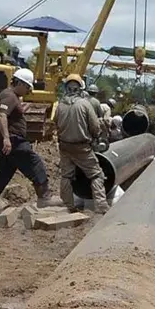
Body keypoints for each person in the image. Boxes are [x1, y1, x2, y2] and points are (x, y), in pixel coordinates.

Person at [0, 68, 60, 208]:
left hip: (9, 140)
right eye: (28, 88)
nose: (28, 91)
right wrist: (6, 138)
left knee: (4, 171)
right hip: (13, 140)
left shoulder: (10, 95)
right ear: (21, 84)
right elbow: (1, 115)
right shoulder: (9, 96)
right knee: (35, 163)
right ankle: (44, 197)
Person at [54, 74, 109, 214]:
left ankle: (68, 206)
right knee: (96, 174)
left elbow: (55, 124)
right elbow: (95, 126)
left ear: (66, 88)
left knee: (66, 176)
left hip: (64, 146)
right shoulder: (85, 104)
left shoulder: (60, 105)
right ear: (81, 89)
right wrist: (97, 137)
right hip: (82, 147)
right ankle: (101, 207)